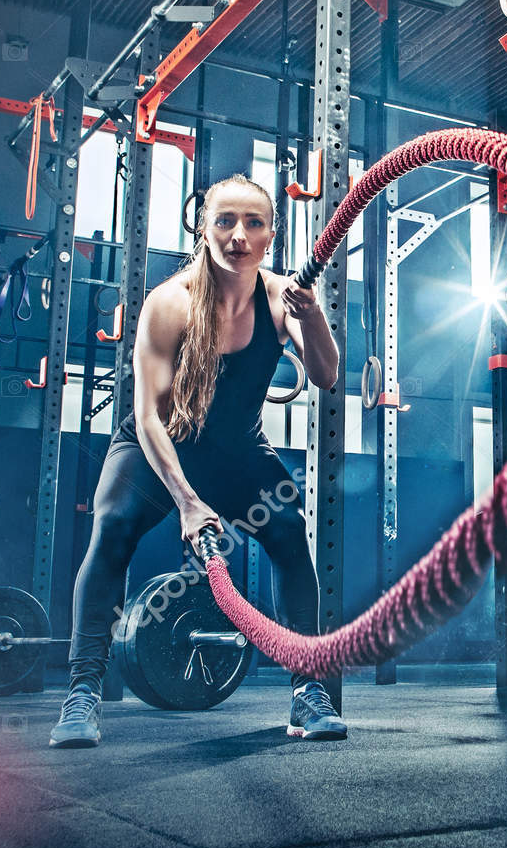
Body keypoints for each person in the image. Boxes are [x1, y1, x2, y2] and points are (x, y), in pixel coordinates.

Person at [49, 172, 345, 747]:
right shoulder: (170, 303)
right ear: (203, 229)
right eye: (225, 221)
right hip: (158, 447)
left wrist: (312, 317)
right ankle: (82, 693)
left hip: (236, 450)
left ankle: (308, 690)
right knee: (111, 528)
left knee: (287, 530)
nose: (238, 234)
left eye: (253, 223)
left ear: (270, 235)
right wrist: (187, 502)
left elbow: (327, 376)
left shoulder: (283, 298)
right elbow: (152, 415)